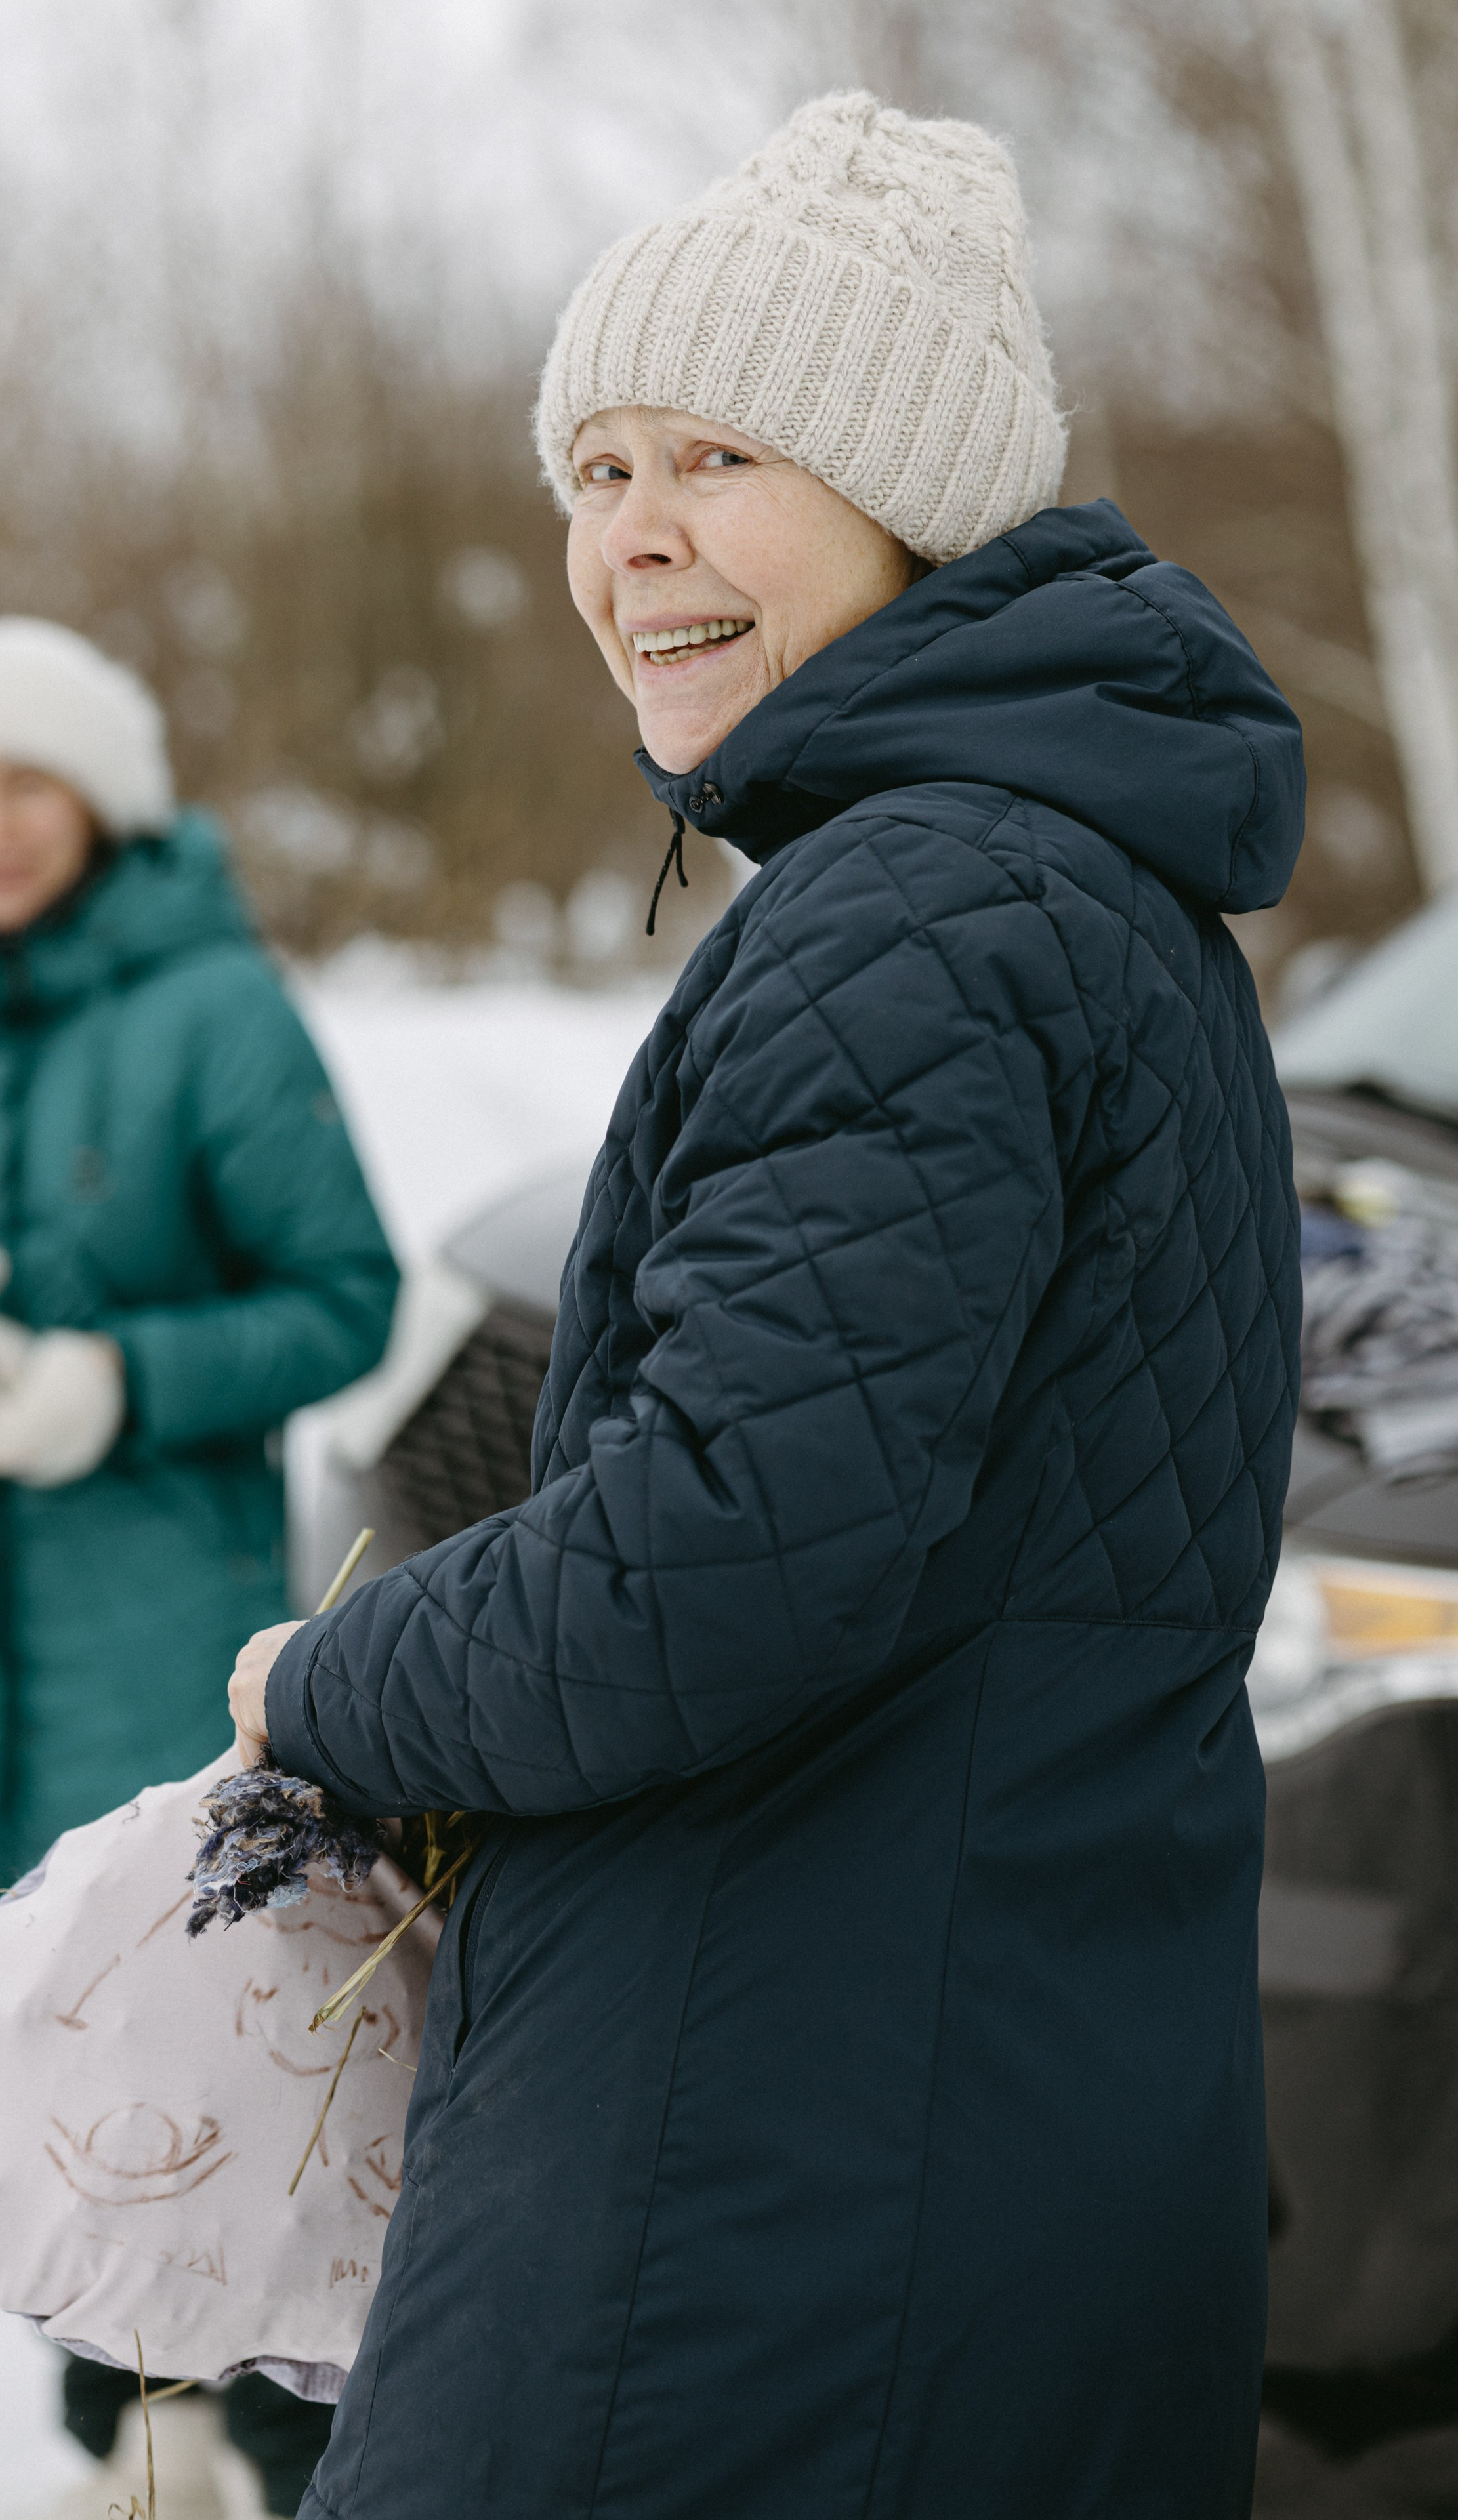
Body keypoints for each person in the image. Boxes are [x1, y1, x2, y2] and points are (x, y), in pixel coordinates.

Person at [228, 93, 1304, 2520]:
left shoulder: (921, 912)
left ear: (912, 492)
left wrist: (329, 1681)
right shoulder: (1079, 884)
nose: (632, 536)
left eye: (718, 454)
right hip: (959, 2121)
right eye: (596, 469)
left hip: (773, 2219)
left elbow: (712, 1557)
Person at [0, 616, 398, 2513]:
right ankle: (131, 2440)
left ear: (101, 799)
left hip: (156, 1612)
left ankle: (284, 2444)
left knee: (197, 2027)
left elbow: (344, 1295)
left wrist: (113, 1382)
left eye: (25, 782)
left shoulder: (215, 1012)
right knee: (26, 2044)